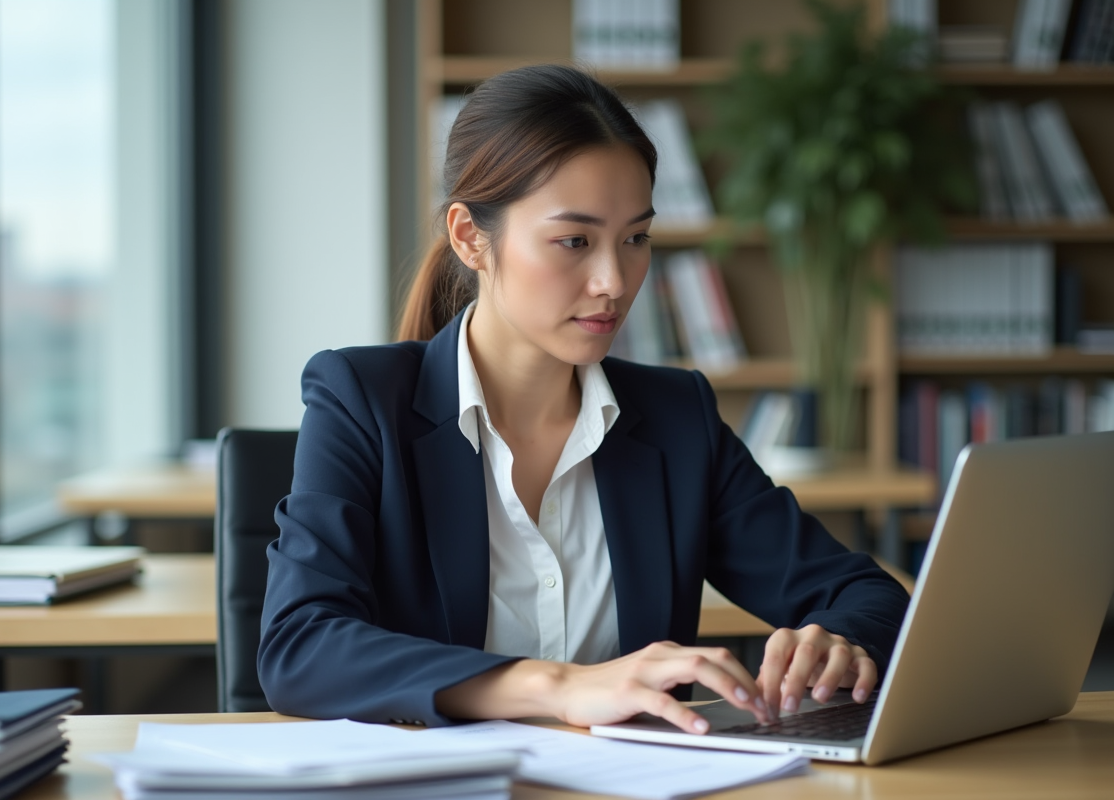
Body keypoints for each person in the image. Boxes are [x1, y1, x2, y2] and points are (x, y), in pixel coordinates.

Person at [258, 64, 909, 734]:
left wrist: (838, 641)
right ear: (469, 237)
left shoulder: (677, 419)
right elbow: (300, 648)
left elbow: (868, 597)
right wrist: (560, 688)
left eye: (635, 238)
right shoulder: (361, 400)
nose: (614, 281)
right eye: (574, 241)